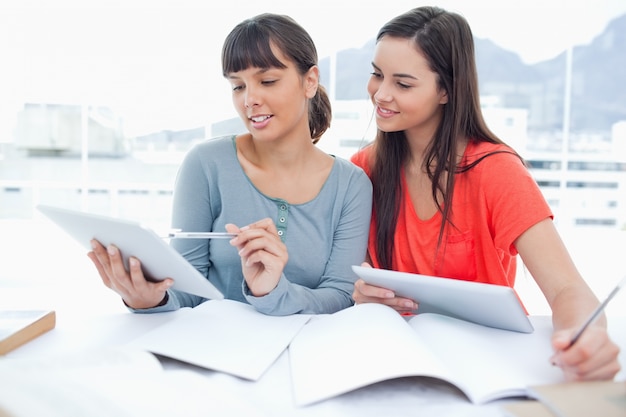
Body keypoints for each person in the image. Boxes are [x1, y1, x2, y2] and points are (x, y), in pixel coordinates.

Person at [351, 6, 620, 381]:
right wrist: (360, 293)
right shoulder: (363, 169)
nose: (381, 94)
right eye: (377, 74)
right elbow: (350, 278)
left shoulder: (496, 170)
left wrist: (586, 335)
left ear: (446, 90)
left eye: (403, 83)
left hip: (488, 362)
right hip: (396, 359)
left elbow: (566, 288)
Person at [87, 13, 372, 316]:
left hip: (307, 352)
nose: (249, 99)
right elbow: (187, 288)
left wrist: (273, 291)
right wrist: (148, 298)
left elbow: (341, 296)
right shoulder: (206, 165)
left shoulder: (351, 185)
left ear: (310, 81)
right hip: (212, 351)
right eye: (237, 86)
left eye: (268, 81)